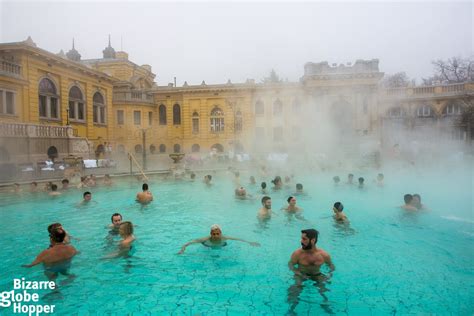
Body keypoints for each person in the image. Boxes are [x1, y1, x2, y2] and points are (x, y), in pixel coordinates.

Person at [287, 229, 335, 308]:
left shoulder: (324, 255)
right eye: (301, 238)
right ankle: (291, 309)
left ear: (313, 240)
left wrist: (329, 275)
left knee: (324, 290)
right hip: (301, 274)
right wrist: (298, 273)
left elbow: (331, 266)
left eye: (304, 239)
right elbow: (290, 264)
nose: (301, 241)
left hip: (317, 275)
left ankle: (326, 306)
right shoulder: (297, 253)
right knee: (296, 287)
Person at [178, 224, 260, 254]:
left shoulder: (225, 237)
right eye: (214, 234)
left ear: (220, 233)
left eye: (218, 234)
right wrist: (182, 249)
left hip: (220, 246)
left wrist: (249, 242)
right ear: (211, 234)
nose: (216, 236)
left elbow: (237, 239)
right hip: (207, 246)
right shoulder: (205, 239)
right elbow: (191, 242)